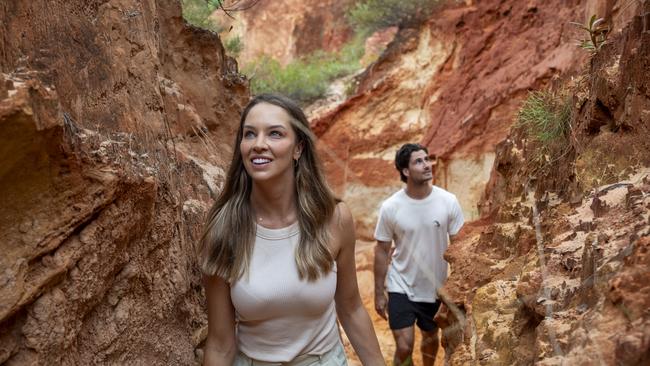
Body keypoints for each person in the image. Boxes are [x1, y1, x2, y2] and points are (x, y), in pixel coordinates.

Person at [200, 94, 385, 366]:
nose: (259, 145)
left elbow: (351, 308)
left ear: (298, 148)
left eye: (275, 134)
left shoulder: (334, 219)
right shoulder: (223, 229)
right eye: (250, 134)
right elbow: (219, 343)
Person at [373, 143, 464, 366]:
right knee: (404, 347)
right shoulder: (391, 207)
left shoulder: (448, 201)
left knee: (430, 341)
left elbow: (460, 248)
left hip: (435, 288)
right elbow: (382, 250)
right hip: (400, 284)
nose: (427, 165)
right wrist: (378, 293)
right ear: (405, 171)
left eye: (427, 159)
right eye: (419, 161)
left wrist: (457, 289)